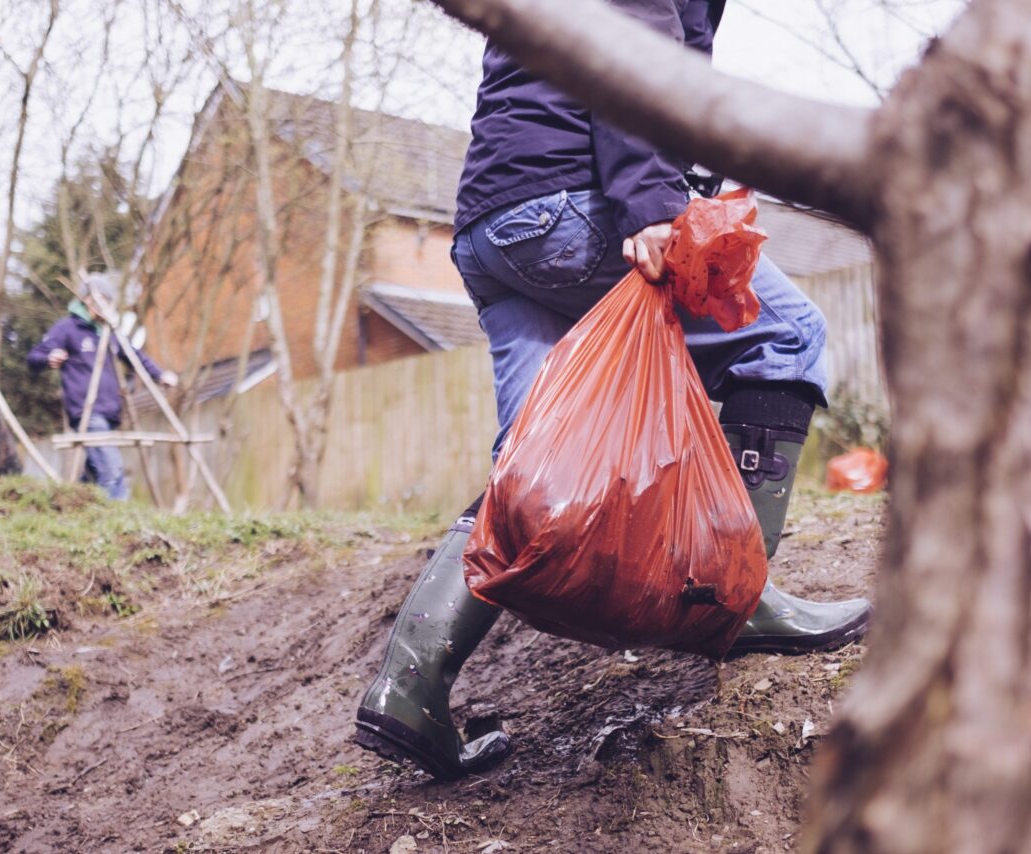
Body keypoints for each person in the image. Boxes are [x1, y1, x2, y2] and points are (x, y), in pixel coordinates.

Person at [355, 0, 872, 781]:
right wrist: (652, 202)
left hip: (493, 224)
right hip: (575, 201)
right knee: (786, 334)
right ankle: (740, 599)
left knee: (537, 458)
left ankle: (410, 682)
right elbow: (629, 51)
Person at [27, 272, 177, 500]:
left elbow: (135, 356)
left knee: (93, 473)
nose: (103, 305)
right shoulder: (68, 328)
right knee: (111, 469)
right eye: (100, 300)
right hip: (87, 412)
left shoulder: (109, 331)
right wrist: (50, 357)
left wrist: (160, 374)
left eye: (108, 301)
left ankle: (77, 510)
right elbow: (34, 357)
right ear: (86, 300)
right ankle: (122, 522)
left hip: (110, 412)